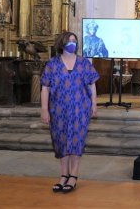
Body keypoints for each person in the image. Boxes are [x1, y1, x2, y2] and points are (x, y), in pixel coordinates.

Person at [40, 31, 99, 193]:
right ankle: (63, 175)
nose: (72, 43)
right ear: (62, 43)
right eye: (69, 41)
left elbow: (92, 84)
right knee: (61, 141)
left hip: (80, 109)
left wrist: (94, 104)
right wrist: (44, 109)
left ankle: (73, 176)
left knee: (76, 141)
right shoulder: (52, 64)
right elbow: (45, 87)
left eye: (75, 41)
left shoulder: (84, 63)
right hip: (58, 110)